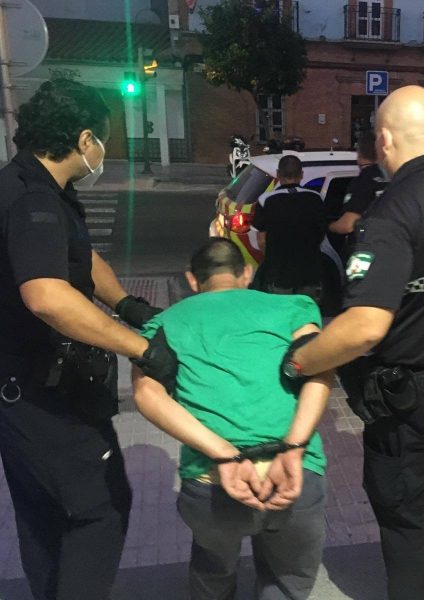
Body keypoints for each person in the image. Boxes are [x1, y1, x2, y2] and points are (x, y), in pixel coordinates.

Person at [281, 85, 424, 599]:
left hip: (415, 397)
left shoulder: (392, 213)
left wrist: (301, 360)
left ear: (384, 139)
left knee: (406, 513)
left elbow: (364, 326)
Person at [0, 79, 175, 600]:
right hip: (44, 397)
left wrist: (124, 301)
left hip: (20, 391)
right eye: (102, 138)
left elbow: (79, 256)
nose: (104, 150)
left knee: (41, 514)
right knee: (100, 509)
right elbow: (48, 296)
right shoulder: (34, 202)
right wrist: (141, 348)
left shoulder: (38, 186)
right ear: (83, 140)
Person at [132, 238, 333, 600]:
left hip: (212, 482)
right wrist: (293, 446)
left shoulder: (165, 323)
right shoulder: (295, 307)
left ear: (193, 281)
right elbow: (318, 371)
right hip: (295, 474)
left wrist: (224, 452)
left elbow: (147, 393)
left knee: (213, 567)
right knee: (287, 580)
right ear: (247, 274)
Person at [250, 155, 326, 301]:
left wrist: (271, 257)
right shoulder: (316, 198)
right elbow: (321, 232)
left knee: (281, 315)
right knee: (305, 315)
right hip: (309, 272)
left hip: (279, 273)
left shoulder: (266, 200)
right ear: (301, 175)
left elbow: (261, 240)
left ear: (278, 175)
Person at [329, 130, 387, 253]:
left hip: (367, 252)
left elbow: (348, 225)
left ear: (359, 154)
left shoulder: (364, 180)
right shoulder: (394, 177)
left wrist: (329, 227)